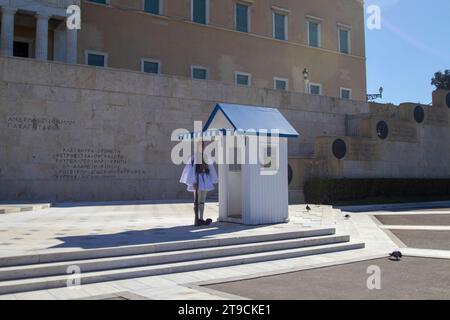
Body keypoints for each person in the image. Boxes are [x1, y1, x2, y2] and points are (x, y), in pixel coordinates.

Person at [180, 141, 218, 226]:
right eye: (202, 146)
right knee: (196, 200)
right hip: (197, 180)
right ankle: (196, 219)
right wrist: (193, 181)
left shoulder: (206, 157)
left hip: (205, 179)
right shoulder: (193, 158)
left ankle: (201, 218)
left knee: (202, 201)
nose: (203, 147)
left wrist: (212, 178)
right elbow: (191, 170)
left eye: (204, 146)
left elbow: (211, 169)